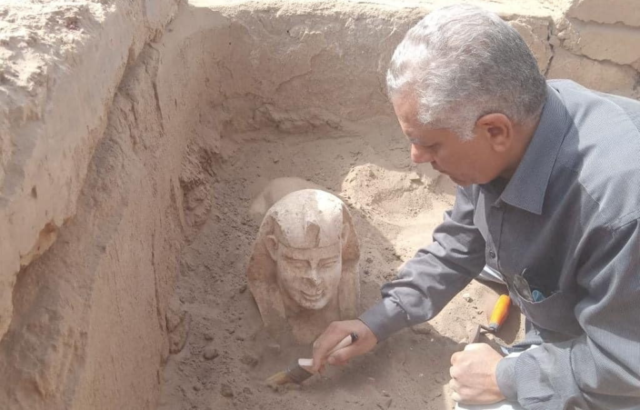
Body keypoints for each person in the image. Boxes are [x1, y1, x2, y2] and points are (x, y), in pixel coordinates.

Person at [310, 4, 640, 410]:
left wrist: (507, 377)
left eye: (430, 144)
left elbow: (627, 365)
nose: (415, 157)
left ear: (495, 130)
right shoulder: (516, 129)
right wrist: (377, 321)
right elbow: (460, 242)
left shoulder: (619, 211)